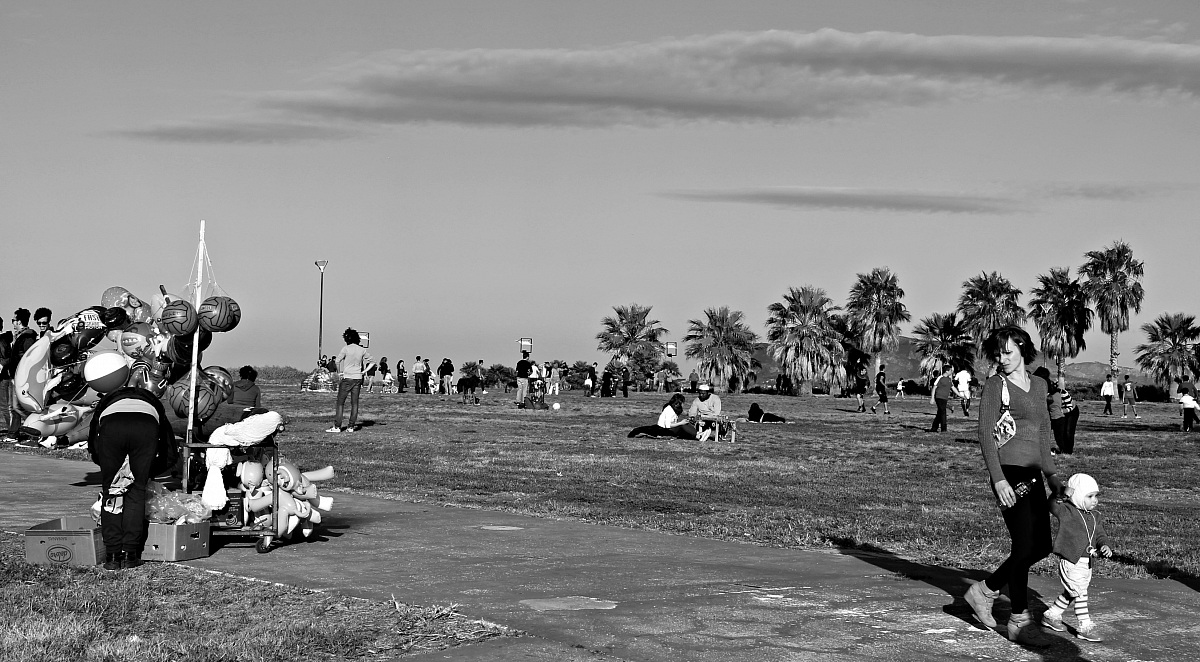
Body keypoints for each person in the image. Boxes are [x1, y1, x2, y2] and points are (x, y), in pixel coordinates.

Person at [964, 326, 1064, 648]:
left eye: (1008, 352)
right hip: (1009, 473)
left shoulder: (1039, 385)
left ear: (1022, 349)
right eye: (998, 353)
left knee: (1042, 546)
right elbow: (984, 435)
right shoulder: (995, 386)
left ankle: (985, 590)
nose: (1002, 358)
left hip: (1035, 475)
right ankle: (1019, 621)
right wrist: (998, 479)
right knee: (1023, 546)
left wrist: (1052, 476)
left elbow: (1044, 433)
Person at [88, 385, 178, 570]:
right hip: (146, 425)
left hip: (112, 425)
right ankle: (130, 555)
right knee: (136, 491)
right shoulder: (154, 403)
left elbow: (93, 440)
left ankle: (112, 556)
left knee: (111, 493)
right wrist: (149, 472)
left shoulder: (107, 400)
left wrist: (105, 466)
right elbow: (169, 449)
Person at [1041, 474, 1112, 643]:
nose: (1094, 500)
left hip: (1087, 562)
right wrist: (1060, 493)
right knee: (1080, 592)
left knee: (1072, 592)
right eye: (1089, 496)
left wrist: (1105, 545)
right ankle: (1084, 626)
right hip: (1071, 561)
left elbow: (1100, 534)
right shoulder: (1067, 511)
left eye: (1096, 496)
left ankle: (1051, 615)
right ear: (1078, 496)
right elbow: (1051, 505)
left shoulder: (1095, 516)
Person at [327, 328, 374, 433]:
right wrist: (363, 371)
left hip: (347, 377)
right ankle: (351, 426)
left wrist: (339, 373)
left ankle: (337, 426)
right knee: (355, 403)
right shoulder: (362, 350)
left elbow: (337, 361)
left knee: (340, 403)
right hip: (358, 378)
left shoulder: (346, 349)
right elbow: (372, 362)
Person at [6, 309, 37, 439]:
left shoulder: (27, 337)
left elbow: (28, 358)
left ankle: (35, 425)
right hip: (15, 376)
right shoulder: (19, 336)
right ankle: (13, 433)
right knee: (13, 407)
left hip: (20, 377)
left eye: (13, 320)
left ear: (19, 321)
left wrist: (20, 376)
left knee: (17, 406)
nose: (12, 323)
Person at [628, 393, 697, 439]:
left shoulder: (676, 409)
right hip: (664, 430)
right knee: (683, 425)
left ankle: (697, 434)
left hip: (670, 429)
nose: (683, 405)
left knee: (685, 425)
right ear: (678, 403)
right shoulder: (669, 409)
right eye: (682, 403)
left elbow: (684, 413)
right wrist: (681, 423)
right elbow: (668, 425)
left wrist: (691, 417)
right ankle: (698, 435)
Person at [1054, 375, 1079, 454]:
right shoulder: (1050, 394)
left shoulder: (1063, 393)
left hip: (1071, 412)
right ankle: (1062, 448)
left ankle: (1068, 451)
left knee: (1068, 431)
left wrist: (1061, 411)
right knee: (1062, 431)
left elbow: (1070, 407)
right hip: (1062, 412)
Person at [928, 365, 954, 433]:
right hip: (939, 397)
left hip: (945, 398)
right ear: (947, 371)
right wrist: (932, 398)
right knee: (943, 412)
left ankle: (934, 428)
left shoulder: (949, 379)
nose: (952, 372)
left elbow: (953, 388)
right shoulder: (940, 378)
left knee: (940, 413)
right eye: (951, 370)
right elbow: (934, 388)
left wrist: (960, 395)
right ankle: (944, 429)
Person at [0, 318, 13, 438]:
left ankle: (12, 430)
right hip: (3, 377)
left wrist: (1, 365)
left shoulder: (1, 341)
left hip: (2, 378)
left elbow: (6, 358)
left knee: (4, 406)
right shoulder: (4, 340)